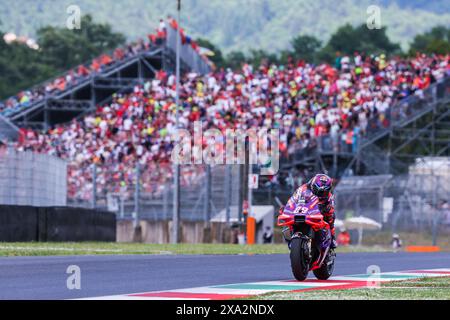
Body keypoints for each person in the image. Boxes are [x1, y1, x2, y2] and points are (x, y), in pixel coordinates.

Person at [283, 173, 337, 249]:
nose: (319, 193)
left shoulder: (329, 197)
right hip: (304, 211)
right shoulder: (302, 189)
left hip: (319, 213)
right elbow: (293, 199)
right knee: (287, 222)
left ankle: (331, 239)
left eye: (323, 192)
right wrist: (288, 207)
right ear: (312, 185)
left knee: (331, 218)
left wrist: (325, 209)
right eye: (317, 189)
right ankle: (291, 240)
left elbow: (330, 212)